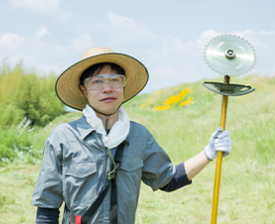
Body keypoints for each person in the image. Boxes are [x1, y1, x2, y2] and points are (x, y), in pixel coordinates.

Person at [31, 47, 232, 224]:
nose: (107, 88)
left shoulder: (138, 135)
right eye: (97, 81)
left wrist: (208, 152)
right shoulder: (63, 137)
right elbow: (47, 210)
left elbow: (168, 180)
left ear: (124, 86)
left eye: (115, 80)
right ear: (84, 91)